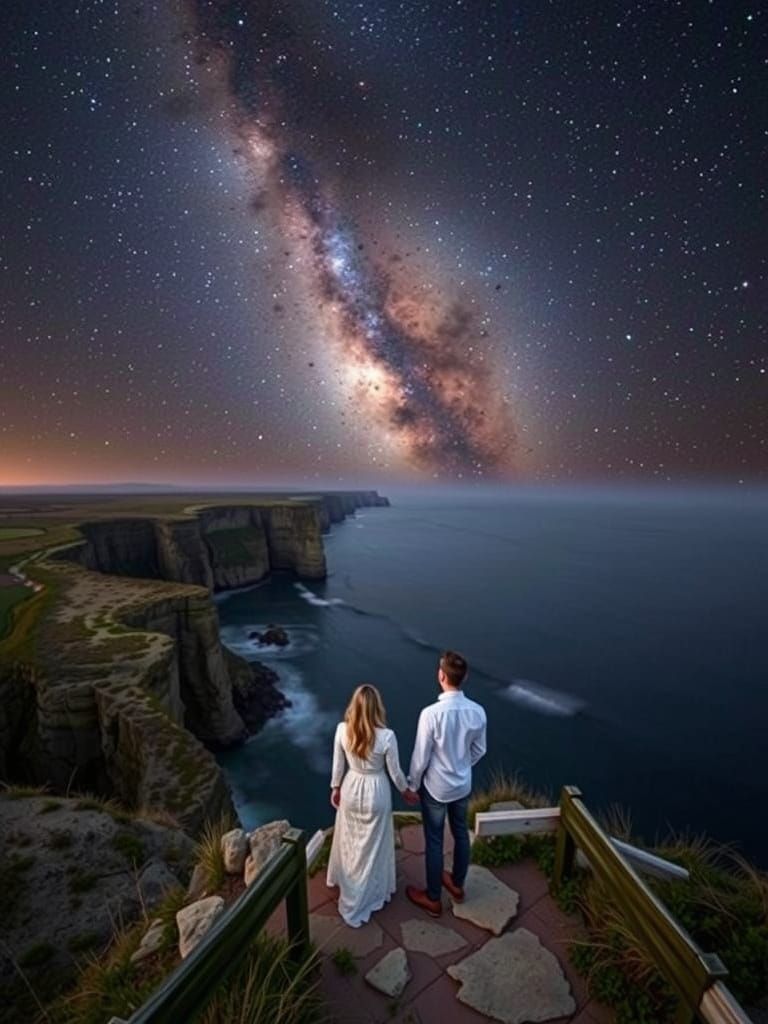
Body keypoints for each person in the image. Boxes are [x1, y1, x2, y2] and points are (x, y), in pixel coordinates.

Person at [406, 650, 487, 917]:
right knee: (461, 833)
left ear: (441, 675)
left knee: (434, 841)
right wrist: (462, 767)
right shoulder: (478, 712)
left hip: (436, 788)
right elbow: (480, 750)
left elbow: (420, 757)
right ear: (464, 678)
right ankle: (457, 883)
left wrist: (412, 785)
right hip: (462, 786)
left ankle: (432, 898)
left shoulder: (430, 714)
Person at [326, 684, 415, 927]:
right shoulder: (387, 737)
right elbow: (395, 773)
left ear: (353, 706)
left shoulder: (342, 730)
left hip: (351, 787)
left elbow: (337, 765)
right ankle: (369, 891)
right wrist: (406, 792)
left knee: (351, 841)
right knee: (373, 845)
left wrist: (335, 788)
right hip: (377, 791)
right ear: (378, 708)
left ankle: (350, 885)